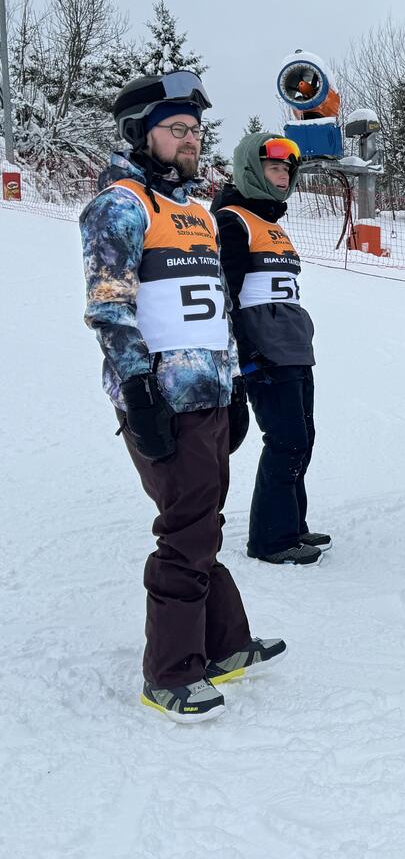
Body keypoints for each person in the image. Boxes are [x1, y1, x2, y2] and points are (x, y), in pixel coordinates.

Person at [80, 71, 285, 723]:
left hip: (211, 392)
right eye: (177, 129)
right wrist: (140, 393)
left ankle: (223, 646)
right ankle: (169, 673)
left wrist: (236, 386)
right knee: (186, 528)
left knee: (203, 521)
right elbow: (110, 308)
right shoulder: (120, 205)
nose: (191, 139)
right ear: (141, 133)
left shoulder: (197, 210)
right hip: (162, 396)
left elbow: (213, 308)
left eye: (195, 129)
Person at [212, 132, 327, 566]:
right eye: (275, 168)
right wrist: (245, 356)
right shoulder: (231, 220)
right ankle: (270, 539)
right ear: (252, 170)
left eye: (287, 171)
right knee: (285, 439)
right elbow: (223, 295)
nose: (283, 177)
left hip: (294, 346)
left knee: (303, 438)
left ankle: (292, 523)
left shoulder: (272, 225)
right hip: (264, 351)